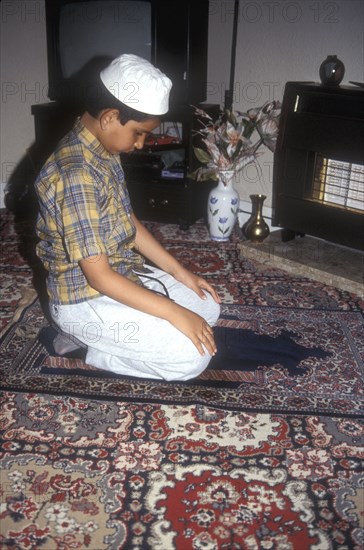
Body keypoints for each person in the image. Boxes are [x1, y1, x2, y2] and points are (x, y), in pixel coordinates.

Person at [35, 54, 221, 381]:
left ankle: (126, 335)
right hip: (84, 303)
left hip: (122, 276)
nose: (140, 144)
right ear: (110, 116)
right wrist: (174, 313)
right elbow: (100, 278)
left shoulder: (103, 147)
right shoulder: (76, 174)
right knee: (194, 355)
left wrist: (181, 273)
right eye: (139, 133)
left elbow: (128, 222)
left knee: (206, 305)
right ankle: (84, 347)